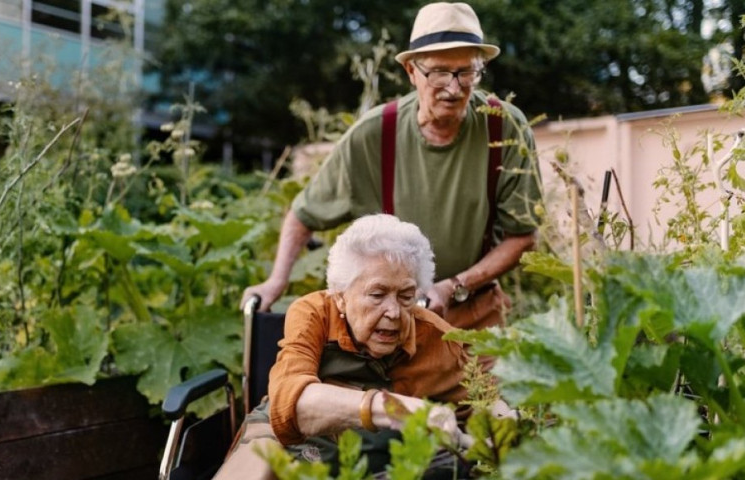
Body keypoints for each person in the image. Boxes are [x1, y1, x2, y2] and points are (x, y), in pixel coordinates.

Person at [243, 2, 542, 330]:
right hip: (389, 320)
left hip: (474, 311)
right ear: (412, 72)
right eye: (440, 72)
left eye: (466, 71)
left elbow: (523, 236)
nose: (454, 88)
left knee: (492, 383)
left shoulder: (503, 127)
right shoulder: (375, 134)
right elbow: (304, 215)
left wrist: (455, 285)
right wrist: (276, 281)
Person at [215, 214, 479, 479]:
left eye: (406, 296)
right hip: (290, 438)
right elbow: (293, 405)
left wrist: (498, 431)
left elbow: (490, 403)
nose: (394, 312)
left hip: (374, 456)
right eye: (377, 295)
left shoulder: (439, 338)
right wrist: (404, 409)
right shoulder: (313, 313)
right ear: (340, 297)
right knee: (258, 458)